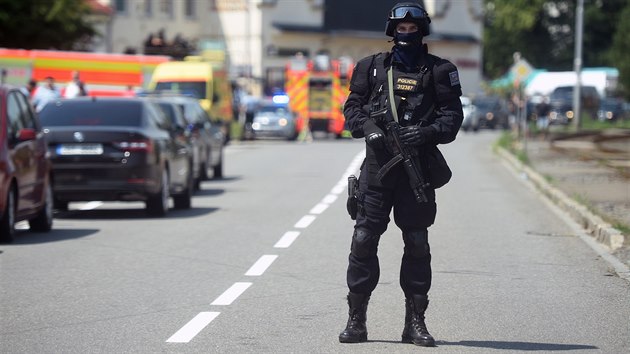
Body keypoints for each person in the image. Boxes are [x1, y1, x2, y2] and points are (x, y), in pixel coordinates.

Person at [339, 2, 463, 347]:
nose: (407, 34)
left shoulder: (440, 71)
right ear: (392, 31)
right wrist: (368, 127)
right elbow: (351, 107)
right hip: (378, 171)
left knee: (417, 243)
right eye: (401, 29)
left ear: (422, 30)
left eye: (413, 29)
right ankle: (356, 320)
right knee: (363, 240)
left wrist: (426, 133)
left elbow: (453, 118)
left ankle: (415, 323)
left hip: (416, 171)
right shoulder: (371, 67)